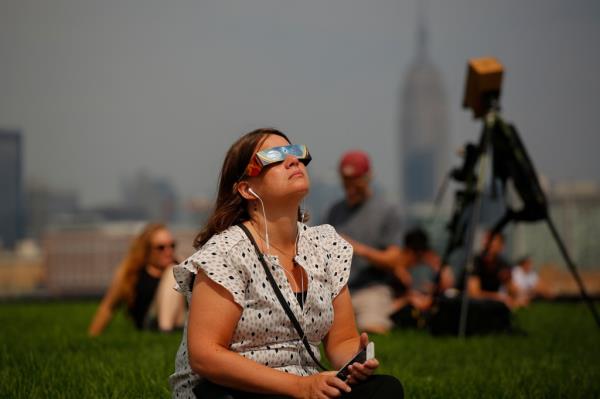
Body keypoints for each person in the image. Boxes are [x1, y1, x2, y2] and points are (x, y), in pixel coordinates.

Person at [169, 128, 403, 398]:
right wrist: (299, 386)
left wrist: (354, 360)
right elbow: (205, 356)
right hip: (236, 387)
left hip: (304, 385)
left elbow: (341, 340)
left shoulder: (325, 246)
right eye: (274, 157)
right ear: (247, 188)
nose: (293, 161)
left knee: (384, 389)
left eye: (295, 153)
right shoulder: (226, 253)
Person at [325, 150, 403, 334]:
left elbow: (394, 260)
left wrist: (356, 248)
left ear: (368, 177)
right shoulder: (335, 210)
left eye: (355, 179)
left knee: (371, 327)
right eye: (346, 179)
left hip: (372, 289)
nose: (350, 184)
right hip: (336, 291)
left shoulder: (387, 210)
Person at [88, 222, 185, 336]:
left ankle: (167, 332)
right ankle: (165, 332)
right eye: (161, 248)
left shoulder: (179, 265)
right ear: (147, 249)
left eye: (172, 245)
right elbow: (108, 307)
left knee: (173, 271)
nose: (168, 252)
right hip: (150, 324)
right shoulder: (131, 273)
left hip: (180, 321)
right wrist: (92, 335)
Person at [392, 227, 454, 313]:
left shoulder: (432, 261)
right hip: (400, 303)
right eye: (416, 253)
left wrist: (434, 289)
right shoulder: (396, 265)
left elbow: (448, 285)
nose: (418, 257)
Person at [467, 231, 520, 309]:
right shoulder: (475, 261)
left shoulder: (502, 264)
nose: (487, 245)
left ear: (501, 246)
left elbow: (513, 291)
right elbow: (474, 293)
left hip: (490, 306)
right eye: (487, 241)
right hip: (473, 307)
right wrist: (498, 297)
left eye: (493, 242)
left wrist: (508, 281)